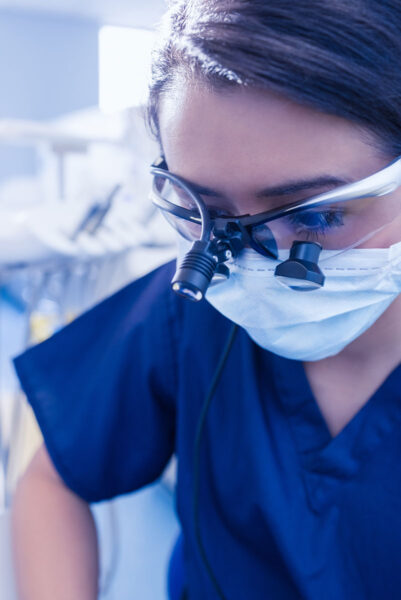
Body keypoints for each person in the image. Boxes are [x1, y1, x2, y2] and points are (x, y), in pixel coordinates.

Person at [11, 1, 401, 598]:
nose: (250, 266)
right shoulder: (193, 309)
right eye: (208, 215)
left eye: (318, 216)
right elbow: (51, 484)